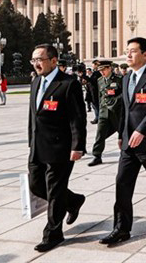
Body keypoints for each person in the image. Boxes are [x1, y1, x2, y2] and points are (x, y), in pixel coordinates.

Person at [100, 37, 146, 245]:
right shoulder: (125, 78)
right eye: (127, 50)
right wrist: (121, 135)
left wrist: (142, 130)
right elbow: (125, 109)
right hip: (128, 144)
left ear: (145, 55)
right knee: (122, 183)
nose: (128, 54)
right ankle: (121, 228)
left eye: (133, 51)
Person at [28, 44, 87, 252]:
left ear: (54, 61)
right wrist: (30, 142)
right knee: (36, 185)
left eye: (40, 60)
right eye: (33, 60)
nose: (36, 64)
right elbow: (33, 117)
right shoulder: (36, 82)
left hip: (60, 147)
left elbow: (77, 118)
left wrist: (78, 146)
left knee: (55, 190)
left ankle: (53, 233)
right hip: (37, 146)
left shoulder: (68, 84)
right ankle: (73, 200)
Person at [88, 60, 123, 167]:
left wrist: (115, 101)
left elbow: (124, 95)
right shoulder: (100, 80)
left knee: (122, 134)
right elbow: (100, 96)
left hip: (116, 112)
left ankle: (128, 154)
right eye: (100, 70)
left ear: (109, 68)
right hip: (104, 112)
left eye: (103, 70)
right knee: (100, 134)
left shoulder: (119, 79)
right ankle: (97, 156)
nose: (102, 72)